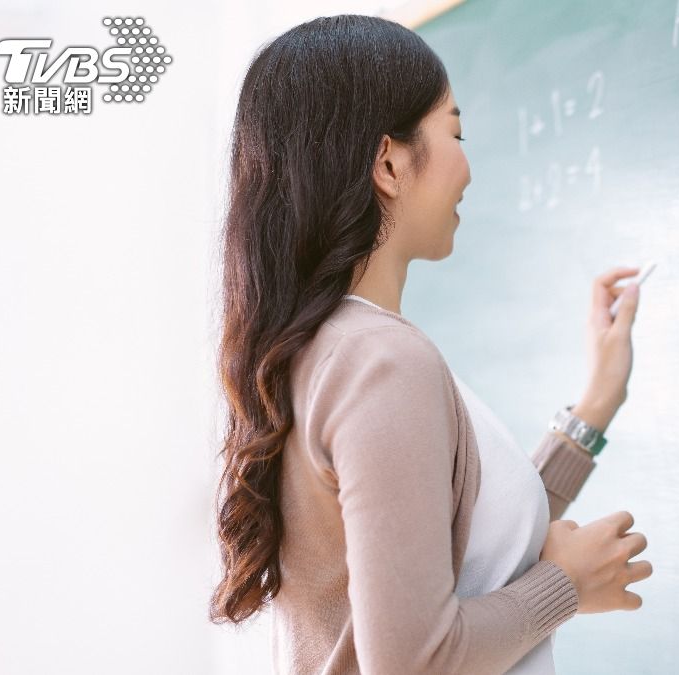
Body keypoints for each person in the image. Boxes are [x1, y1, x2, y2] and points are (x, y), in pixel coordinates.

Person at [207, 14, 653, 674]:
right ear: (388, 161)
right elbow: (415, 659)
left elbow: (464, 539)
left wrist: (594, 406)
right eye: (456, 130)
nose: (469, 164)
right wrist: (566, 586)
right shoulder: (382, 360)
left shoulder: (331, 347)